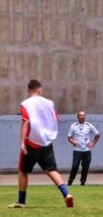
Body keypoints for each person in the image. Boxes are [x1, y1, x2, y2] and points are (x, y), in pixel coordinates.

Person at [8, 79, 73, 208]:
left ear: (29, 90)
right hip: (46, 141)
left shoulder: (25, 104)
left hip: (31, 142)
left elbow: (26, 122)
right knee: (51, 170)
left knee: (23, 170)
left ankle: (21, 201)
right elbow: (55, 118)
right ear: (39, 89)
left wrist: (22, 142)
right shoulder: (49, 103)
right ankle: (67, 194)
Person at [67, 111, 100, 186]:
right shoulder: (74, 126)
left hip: (86, 151)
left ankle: (83, 182)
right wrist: (73, 142)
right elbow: (69, 137)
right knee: (75, 167)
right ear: (77, 117)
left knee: (85, 167)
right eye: (81, 115)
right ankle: (70, 181)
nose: (82, 117)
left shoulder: (89, 125)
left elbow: (97, 134)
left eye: (84, 115)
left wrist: (93, 143)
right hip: (77, 151)